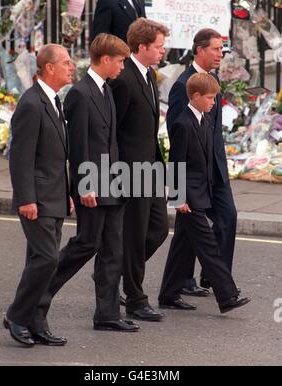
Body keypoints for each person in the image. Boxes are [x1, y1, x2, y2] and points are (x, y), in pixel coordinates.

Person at [30, 33, 139, 333]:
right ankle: (34, 301)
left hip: (112, 185)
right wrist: (84, 186)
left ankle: (107, 314)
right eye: (120, 61)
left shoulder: (107, 89)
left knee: (113, 251)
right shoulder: (80, 93)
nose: (122, 67)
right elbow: (78, 146)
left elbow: (111, 142)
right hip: (92, 186)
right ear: (105, 60)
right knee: (85, 245)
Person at [159, 73, 250, 314]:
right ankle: (227, 296)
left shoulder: (205, 120)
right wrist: (178, 198)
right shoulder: (182, 123)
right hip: (189, 197)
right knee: (208, 246)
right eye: (210, 98)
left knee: (182, 246)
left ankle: (168, 294)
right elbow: (176, 163)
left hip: (202, 192)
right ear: (196, 96)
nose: (213, 103)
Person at [4, 44, 75, 346]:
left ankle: (36, 320)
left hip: (55, 195)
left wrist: (68, 192)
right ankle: (17, 316)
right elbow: (20, 157)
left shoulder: (54, 101)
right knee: (46, 259)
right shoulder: (31, 103)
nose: (72, 67)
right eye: (67, 63)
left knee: (41, 260)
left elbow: (58, 156)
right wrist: (25, 199)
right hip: (37, 198)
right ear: (49, 68)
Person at [163, 28, 238, 298]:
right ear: (200, 50)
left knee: (227, 217)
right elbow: (178, 135)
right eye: (216, 49)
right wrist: (177, 190)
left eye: (222, 49)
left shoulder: (212, 79)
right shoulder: (185, 85)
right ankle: (199, 282)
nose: (221, 54)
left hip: (216, 168)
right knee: (189, 230)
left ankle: (205, 277)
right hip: (195, 174)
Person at [109, 18, 174, 322]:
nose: (163, 51)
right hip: (130, 171)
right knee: (134, 236)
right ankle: (135, 298)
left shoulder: (149, 75)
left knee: (158, 230)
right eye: (159, 46)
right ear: (143, 46)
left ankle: (115, 270)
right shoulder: (123, 79)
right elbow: (113, 130)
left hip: (151, 168)